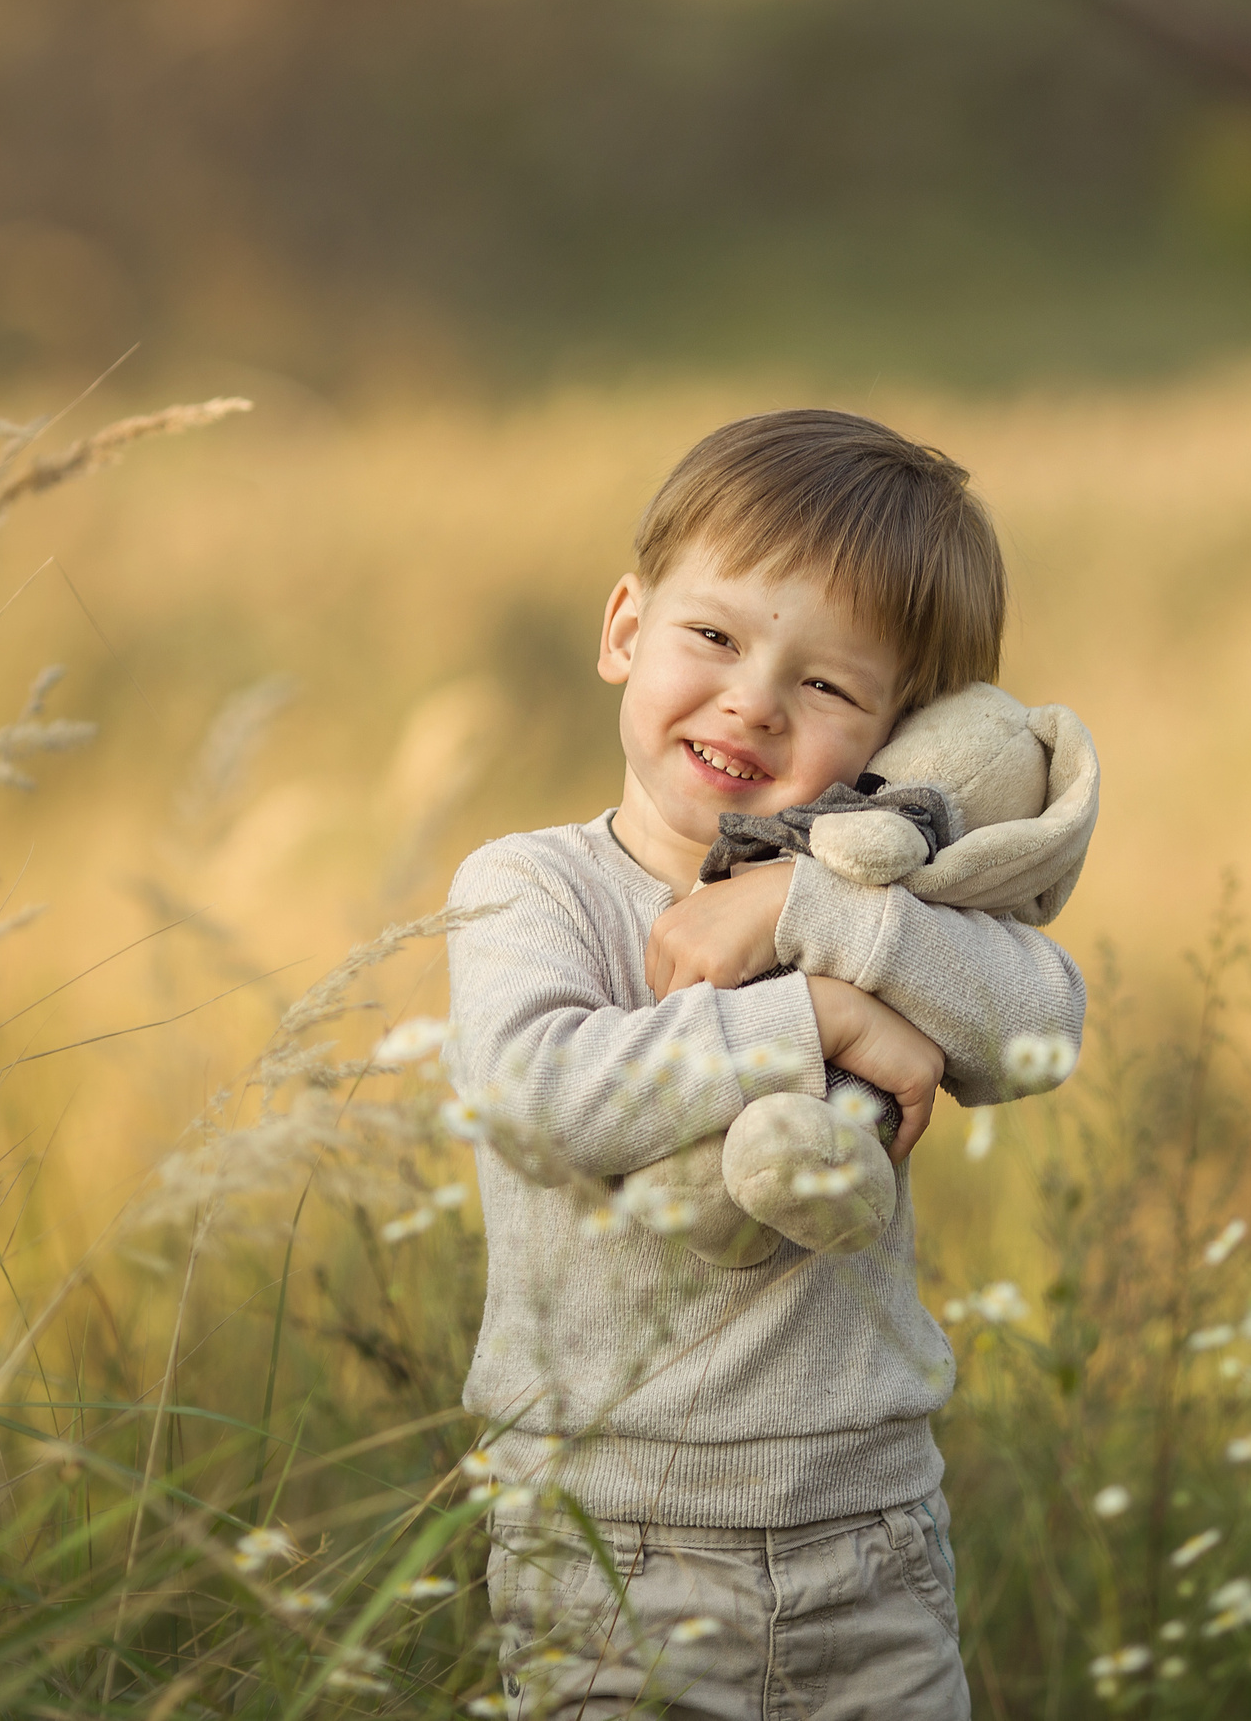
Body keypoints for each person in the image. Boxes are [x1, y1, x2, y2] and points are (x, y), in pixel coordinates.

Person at [444, 408, 1088, 1718]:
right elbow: (535, 1090)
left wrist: (819, 917)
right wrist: (819, 1020)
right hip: (609, 1550)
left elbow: (1045, 1025)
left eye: (829, 687)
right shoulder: (532, 888)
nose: (753, 700)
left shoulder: (887, 915)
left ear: (902, 744)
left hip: (870, 1540)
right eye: (716, 637)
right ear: (627, 629)